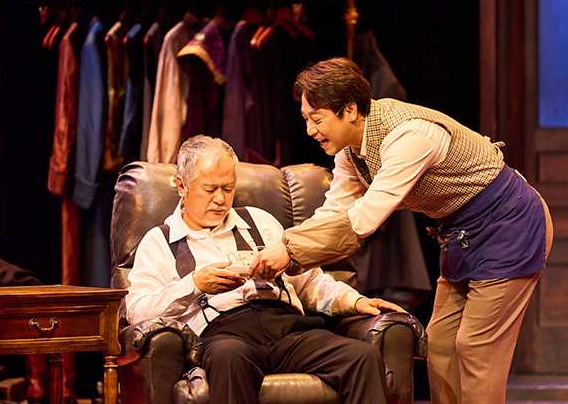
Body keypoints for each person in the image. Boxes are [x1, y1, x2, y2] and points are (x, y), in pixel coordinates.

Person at [250, 57, 554, 404]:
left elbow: (365, 218)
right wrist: (279, 247)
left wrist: (290, 252)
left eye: (316, 119)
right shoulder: (351, 154)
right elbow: (334, 211)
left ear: (350, 110)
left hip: (509, 225)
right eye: (306, 119)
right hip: (461, 236)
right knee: (440, 344)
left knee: (476, 347)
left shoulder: (409, 136)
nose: (310, 130)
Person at [125, 134, 405, 404]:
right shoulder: (160, 241)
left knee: (362, 356)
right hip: (224, 334)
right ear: (181, 186)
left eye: (228, 188)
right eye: (210, 189)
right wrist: (195, 284)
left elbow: (309, 282)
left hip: (288, 328)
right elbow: (138, 311)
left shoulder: (261, 222)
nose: (221, 199)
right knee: (228, 356)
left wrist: (355, 301)